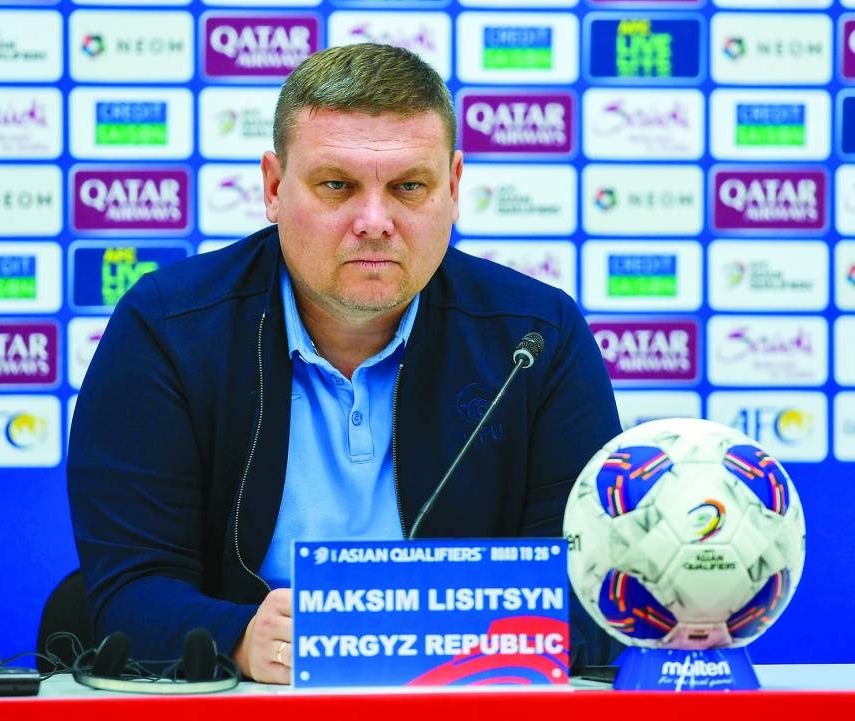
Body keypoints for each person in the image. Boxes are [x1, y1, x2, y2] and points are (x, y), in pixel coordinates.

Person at [67, 42, 622, 685]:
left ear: (453, 188)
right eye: (337, 185)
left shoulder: (536, 338)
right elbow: (129, 591)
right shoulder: (168, 329)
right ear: (274, 188)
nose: (374, 221)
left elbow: (590, 591)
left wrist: (408, 637)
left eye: (409, 187)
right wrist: (238, 637)